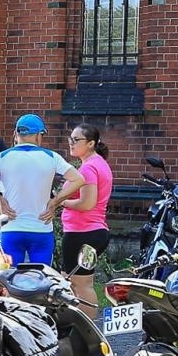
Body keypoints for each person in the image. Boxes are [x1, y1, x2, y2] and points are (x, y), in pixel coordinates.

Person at [0, 113, 86, 267]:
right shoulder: (51, 157)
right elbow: (79, 180)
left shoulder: (2, 157)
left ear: (16, 134)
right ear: (38, 135)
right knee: (41, 280)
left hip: (11, 228)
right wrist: (55, 202)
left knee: (8, 280)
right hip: (41, 229)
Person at [48, 124, 113, 306]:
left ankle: (86, 331)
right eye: (70, 139)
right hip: (88, 232)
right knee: (70, 284)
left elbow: (87, 203)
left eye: (76, 140)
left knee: (81, 285)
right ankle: (76, 328)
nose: (71, 143)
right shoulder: (97, 163)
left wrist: (60, 201)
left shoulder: (88, 168)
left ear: (91, 143)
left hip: (82, 233)